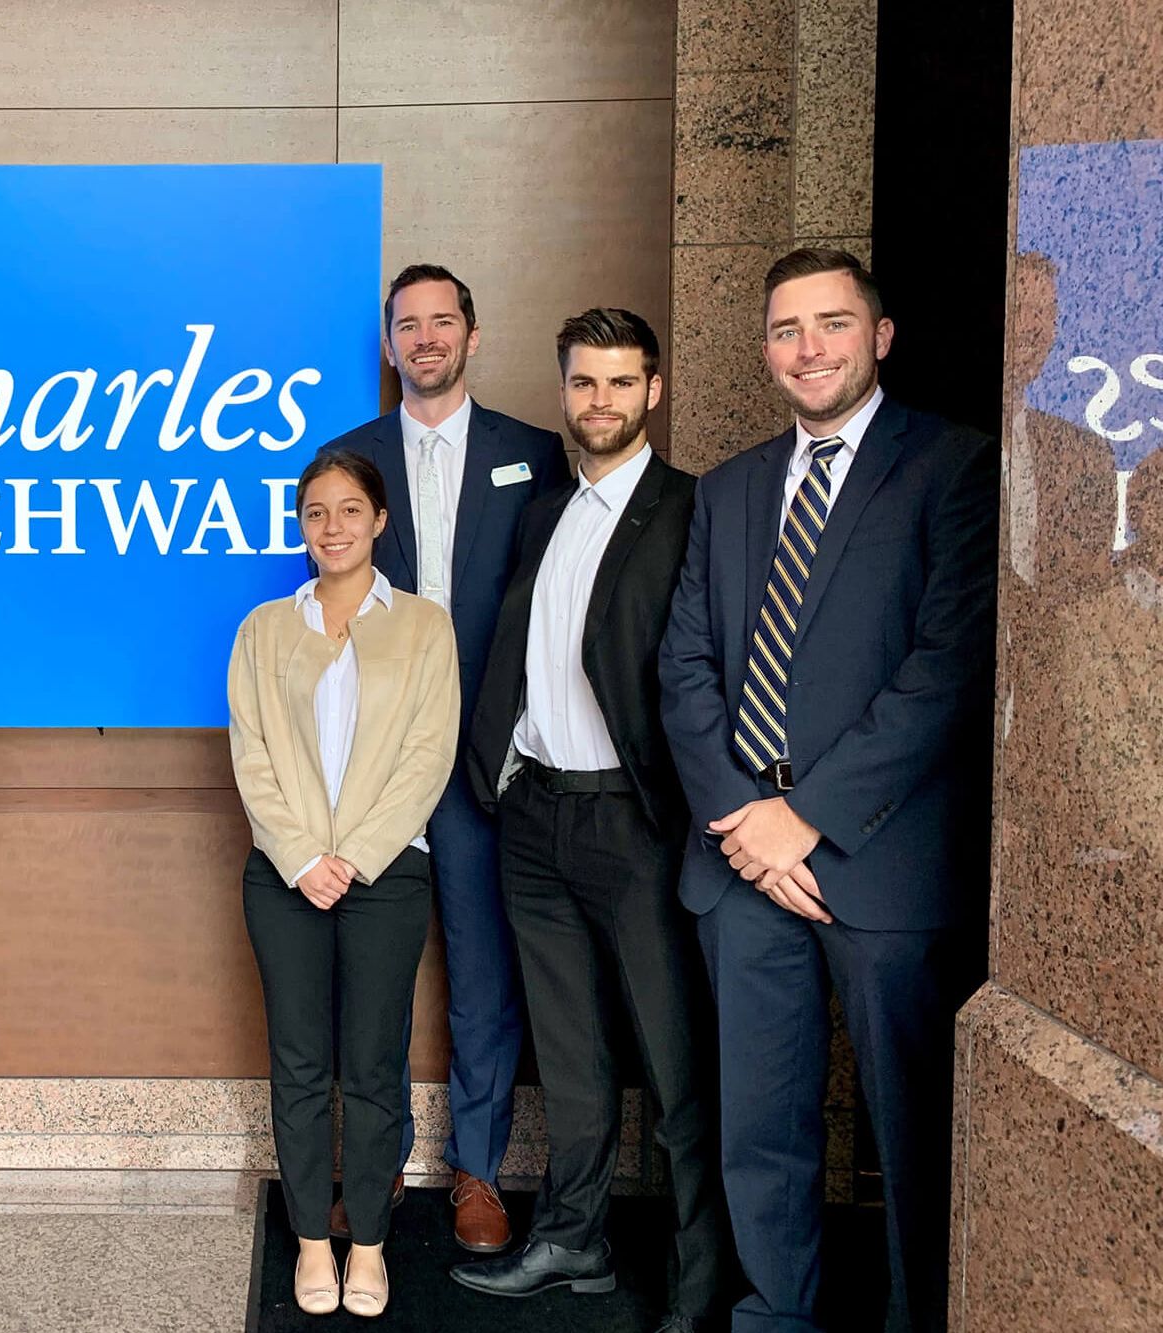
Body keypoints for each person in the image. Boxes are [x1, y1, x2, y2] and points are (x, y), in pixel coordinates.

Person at [658, 248, 997, 1333]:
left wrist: (803, 817)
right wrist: (748, 827)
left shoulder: (953, 468)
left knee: (911, 1134)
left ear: (878, 336)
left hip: (879, 861)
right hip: (739, 864)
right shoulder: (729, 487)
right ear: (762, 349)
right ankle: (775, 1311)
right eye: (785, 329)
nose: (807, 348)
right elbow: (684, 667)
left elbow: (946, 667)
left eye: (831, 324)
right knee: (759, 1124)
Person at [455, 309, 728, 1332]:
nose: (598, 402)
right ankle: (573, 1238)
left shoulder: (689, 510)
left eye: (618, 383)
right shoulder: (544, 507)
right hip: (533, 816)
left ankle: (704, 1280)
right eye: (581, 383)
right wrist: (495, 774)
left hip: (633, 822)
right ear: (563, 390)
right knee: (568, 1053)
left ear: (651, 390)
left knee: (671, 1060)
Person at [325, 262, 568, 1251]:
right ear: (386, 345)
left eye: (442, 321)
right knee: (370, 979)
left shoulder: (535, 456)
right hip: (377, 767)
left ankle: (476, 1169)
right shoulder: (347, 457)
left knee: (481, 974)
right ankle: (370, 1168)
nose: (424, 338)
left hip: (482, 766)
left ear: (471, 336)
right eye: (406, 324)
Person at [228, 448, 460, 1319]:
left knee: (371, 1065)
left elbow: (427, 755)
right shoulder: (262, 629)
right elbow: (251, 759)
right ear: (302, 524)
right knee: (297, 1064)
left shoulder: (424, 626)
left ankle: (367, 1242)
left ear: (380, 521)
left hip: (387, 876)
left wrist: (354, 855)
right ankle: (311, 1246)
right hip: (283, 879)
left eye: (350, 510)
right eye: (317, 512)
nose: (333, 527)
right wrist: (301, 857)